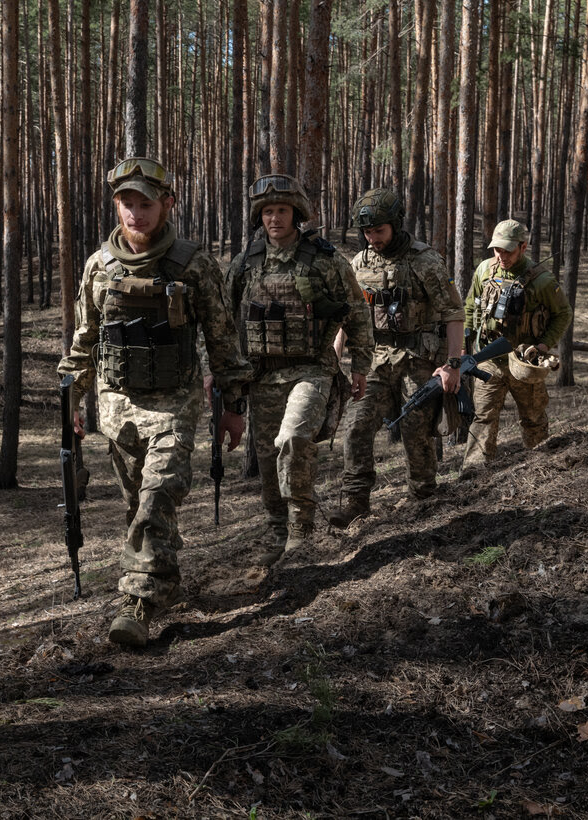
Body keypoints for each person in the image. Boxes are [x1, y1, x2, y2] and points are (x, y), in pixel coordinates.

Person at [58, 157, 252, 648]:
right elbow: (84, 340)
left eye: (145, 203)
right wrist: (73, 399)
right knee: (137, 505)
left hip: (175, 405)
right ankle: (163, 577)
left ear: (168, 203)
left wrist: (233, 407)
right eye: (126, 203)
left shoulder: (193, 264)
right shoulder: (99, 267)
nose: (135, 214)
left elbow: (223, 340)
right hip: (118, 406)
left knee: (160, 492)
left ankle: (138, 603)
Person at [227, 174, 372, 561]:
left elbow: (357, 312)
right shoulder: (245, 263)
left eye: (283, 211)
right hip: (261, 376)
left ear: (297, 214)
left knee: (292, 439)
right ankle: (278, 531)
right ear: (260, 216)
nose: (276, 218)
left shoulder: (324, 261)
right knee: (267, 457)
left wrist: (360, 364)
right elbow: (222, 322)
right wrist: (221, 373)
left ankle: (300, 527)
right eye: (269, 211)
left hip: (312, 369)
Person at [329, 189, 465, 527]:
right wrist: (336, 354)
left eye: (379, 231)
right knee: (357, 426)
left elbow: (454, 314)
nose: (372, 238)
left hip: (419, 359)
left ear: (396, 224)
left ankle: (422, 497)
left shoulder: (425, 261)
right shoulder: (360, 264)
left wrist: (452, 364)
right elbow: (351, 315)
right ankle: (356, 502)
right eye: (367, 232)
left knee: (416, 431)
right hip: (376, 361)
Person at [460, 219, 571, 472]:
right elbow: (469, 306)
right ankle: (474, 474)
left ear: (523, 247)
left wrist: (543, 346)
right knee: (483, 417)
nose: (501, 256)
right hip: (487, 359)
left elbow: (563, 313)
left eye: (507, 250)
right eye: (497, 249)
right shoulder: (485, 271)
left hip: (524, 362)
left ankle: (540, 468)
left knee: (533, 419)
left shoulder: (542, 280)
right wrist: (465, 347)